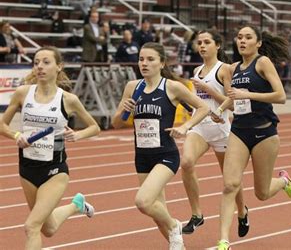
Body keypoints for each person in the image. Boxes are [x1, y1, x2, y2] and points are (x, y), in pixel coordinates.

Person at [111, 42, 209, 250]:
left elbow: (203, 108)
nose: (144, 63)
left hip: (166, 154)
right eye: (141, 59)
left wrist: (186, 127)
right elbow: (115, 123)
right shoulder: (132, 87)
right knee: (157, 213)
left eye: (150, 59)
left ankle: (175, 224)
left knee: (143, 202)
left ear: (161, 63)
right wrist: (123, 112)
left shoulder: (171, 87)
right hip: (142, 156)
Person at [0, 46, 100, 249]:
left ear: (59, 66)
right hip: (27, 168)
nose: (40, 67)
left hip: (54, 171)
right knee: (49, 228)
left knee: (31, 226)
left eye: (46, 62)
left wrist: (77, 134)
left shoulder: (68, 99)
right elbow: (2, 124)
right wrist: (16, 135)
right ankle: (76, 205)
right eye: (36, 62)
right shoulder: (22, 93)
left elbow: (94, 127)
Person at [211, 25, 291, 250]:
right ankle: (223, 241)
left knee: (262, 193)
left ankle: (283, 181)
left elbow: (281, 96)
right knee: (230, 185)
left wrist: (246, 94)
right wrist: (219, 111)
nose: (242, 41)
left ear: (258, 43)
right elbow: (233, 98)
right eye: (239, 37)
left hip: (264, 132)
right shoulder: (233, 68)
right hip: (239, 131)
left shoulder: (263, 63)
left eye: (248, 37)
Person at [180, 30, 249, 237]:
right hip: (200, 128)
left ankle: (242, 211)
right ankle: (196, 214)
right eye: (199, 43)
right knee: (186, 162)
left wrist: (210, 93)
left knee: (231, 180)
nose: (202, 46)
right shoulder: (198, 70)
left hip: (221, 131)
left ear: (217, 45)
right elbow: (198, 103)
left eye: (207, 42)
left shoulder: (224, 69)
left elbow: (233, 101)